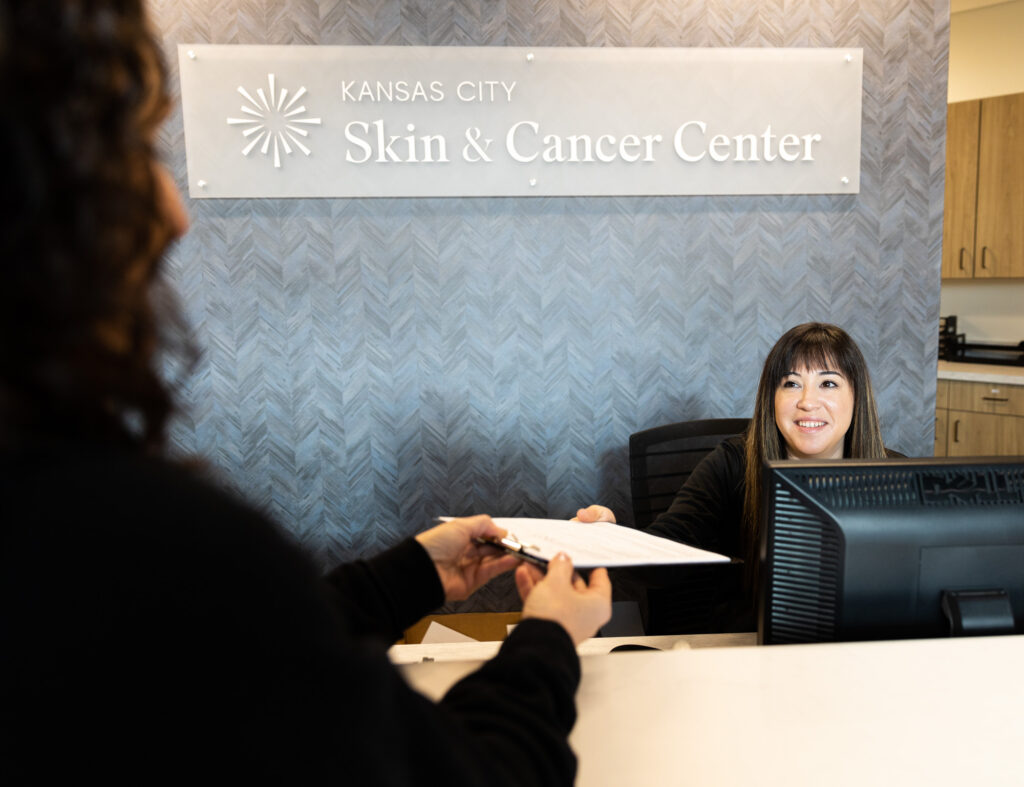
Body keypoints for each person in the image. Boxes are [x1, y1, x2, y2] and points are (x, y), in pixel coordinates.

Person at [0, 2, 611, 784]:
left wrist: (412, 575)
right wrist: (549, 640)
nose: (175, 213)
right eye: (134, 153)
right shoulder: (142, 545)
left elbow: (232, 654)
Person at [578, 322, 901, 631]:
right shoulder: (732, 464)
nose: (807, 402)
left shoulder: (899, 477)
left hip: (863, 654)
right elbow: (667, 551)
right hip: (749, 656)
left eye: (828, 383)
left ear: (856, 396)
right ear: (771, 398)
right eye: (791, 384)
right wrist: (611, 537)